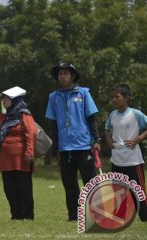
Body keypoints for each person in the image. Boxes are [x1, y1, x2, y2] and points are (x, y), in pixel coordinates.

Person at [45, 61, 101, 221]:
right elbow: (53, 125)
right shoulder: (53, 97)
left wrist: (96, 139)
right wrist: (55, 148)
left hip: (83, 146)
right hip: (65, 148)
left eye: (65, 73)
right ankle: (74, 215)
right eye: (60, 74)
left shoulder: (83, 93)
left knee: (90, 182)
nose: (62, 77)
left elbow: (91, 118)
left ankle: (95, 214)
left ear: (73, 76)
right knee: (69, 184)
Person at [0, 86, 36, 220]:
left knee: (24, 189)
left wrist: (29, 151)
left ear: (16, 100)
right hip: (6, 160)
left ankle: (27, 216)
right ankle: (16, 215)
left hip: (22, 158)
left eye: (7, 98)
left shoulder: (24, 114)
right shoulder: (4, 118)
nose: (4, 101)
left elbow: (31, 133)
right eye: (3, 98)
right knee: (10, 189)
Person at [105, 83, 147, 221]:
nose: (114, 100)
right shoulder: (112, 115)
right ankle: (120, 216)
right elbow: (107, 130)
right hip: (117, 159)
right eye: (112, 97)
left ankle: (144, 216)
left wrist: (139, 138)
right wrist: (109, 141)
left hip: (133, 160)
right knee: (117, 190)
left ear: (126, 97)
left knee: (139, 191)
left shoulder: (135, 114)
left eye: (117, 96)